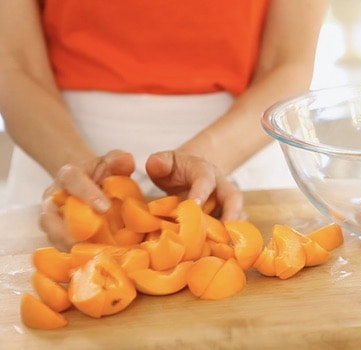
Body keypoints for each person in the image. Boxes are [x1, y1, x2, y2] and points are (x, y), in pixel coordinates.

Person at [0, 0, 328, 250]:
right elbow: (16, 65)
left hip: (239, 150)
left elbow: (287, 63)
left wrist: (209, 157)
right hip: (56, 149)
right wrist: (71, 164)